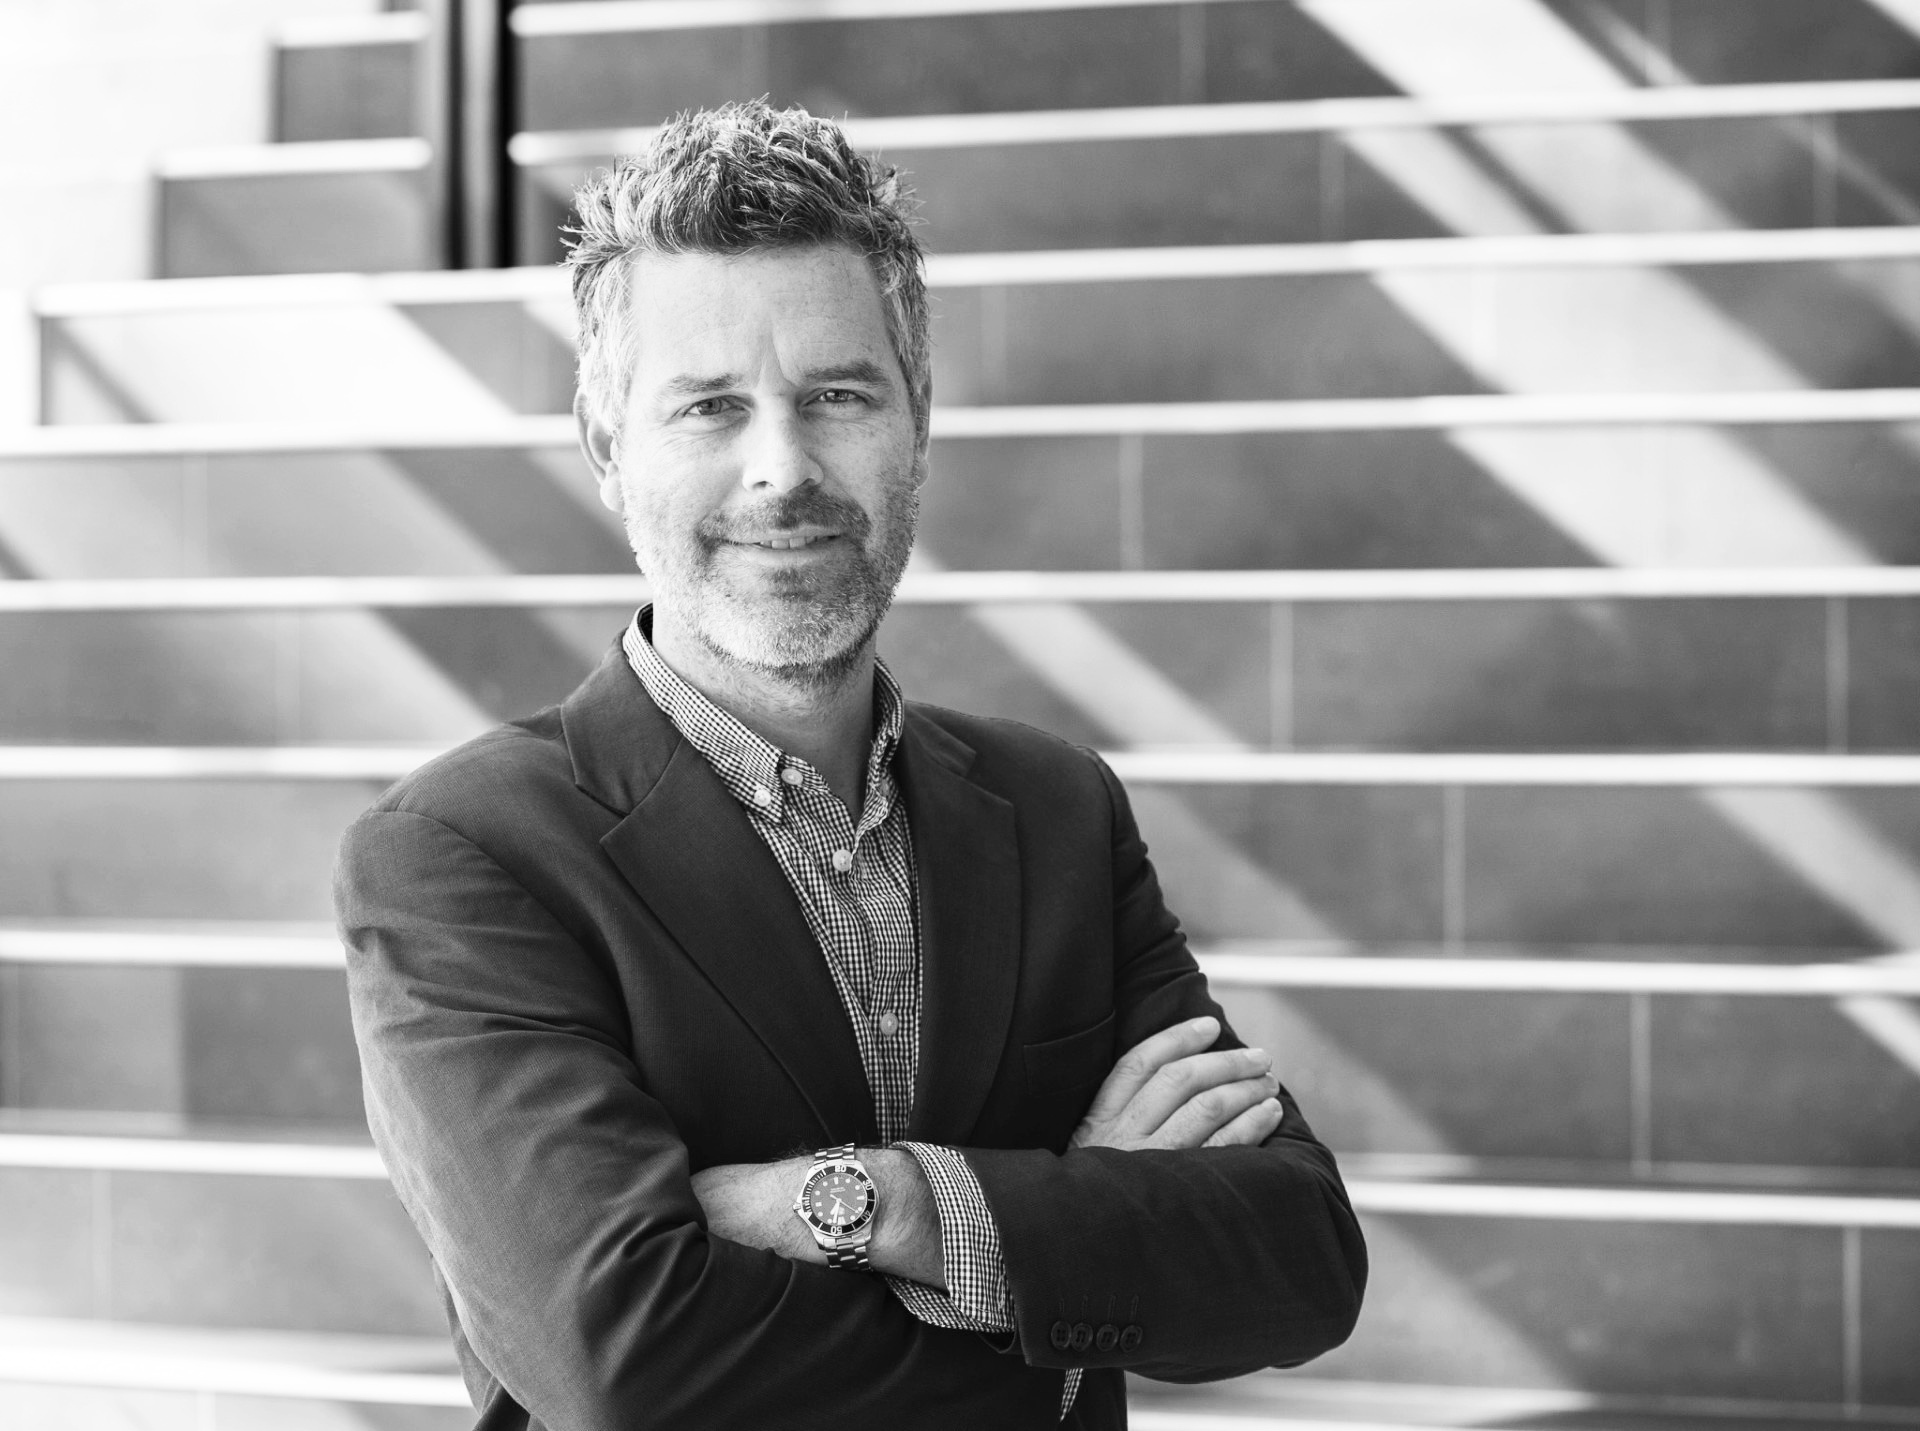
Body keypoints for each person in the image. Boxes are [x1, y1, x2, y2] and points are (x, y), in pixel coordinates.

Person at [336, 100, 1366, 1431]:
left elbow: (1297, 1258)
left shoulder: (1055, 810)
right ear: (607, 448)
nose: (782, 469)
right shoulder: (464, 854)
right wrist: (1061, 1244)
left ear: (916, 421)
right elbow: (622, 1359)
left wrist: (885, 1208)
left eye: (837, 396)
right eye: (710, 407)